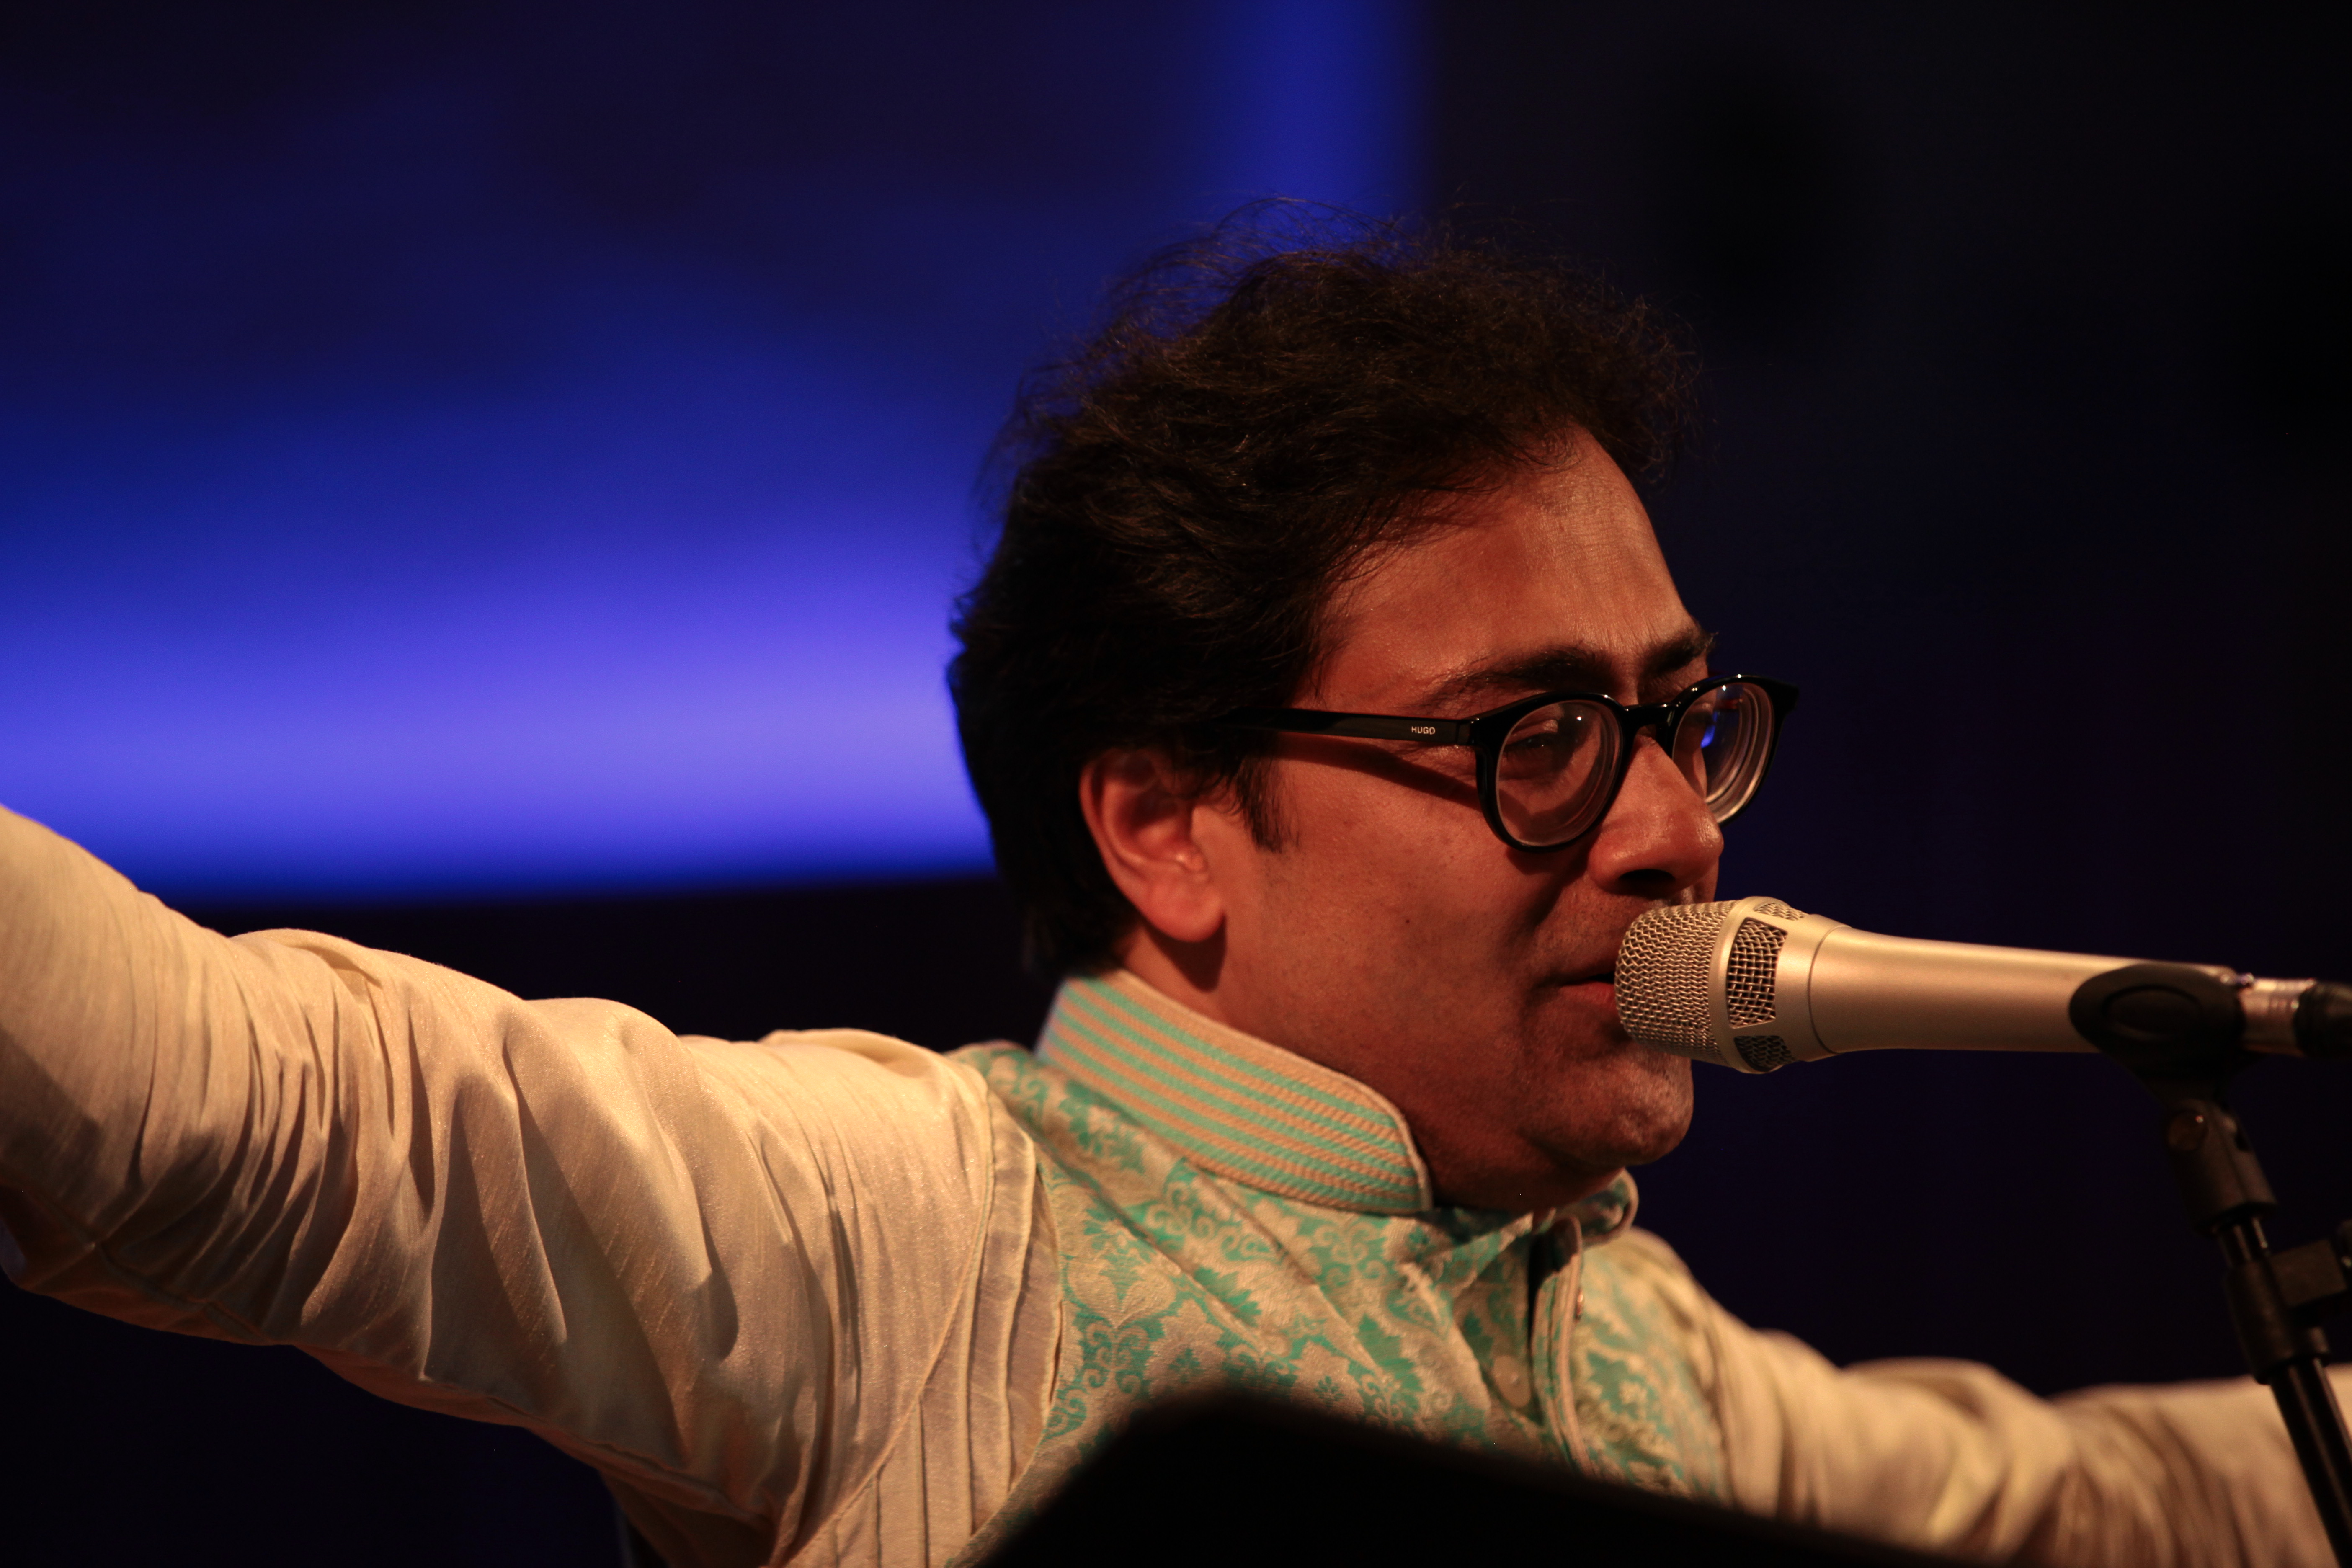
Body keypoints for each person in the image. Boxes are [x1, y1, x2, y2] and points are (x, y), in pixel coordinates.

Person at [0, 218, 2334, 1568]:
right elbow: (257, 1106)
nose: (1672, 832)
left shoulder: (1650, 1359)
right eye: (1534, 737)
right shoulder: (905, 1233)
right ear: (1165, 823)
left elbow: (2112, 1514)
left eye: (1680, 715)